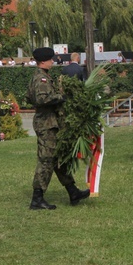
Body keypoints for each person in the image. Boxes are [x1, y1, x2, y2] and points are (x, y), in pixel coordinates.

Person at [25, 47, 90, 210]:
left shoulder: (40, 76)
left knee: (57, 158)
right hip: (46, 124)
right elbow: (41, 99)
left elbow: (28, 97)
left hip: (49, 122)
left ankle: (73, 191)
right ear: (43, 61)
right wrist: (62, 97)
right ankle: (37, 199)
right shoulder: (42, 78)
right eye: (51, 59)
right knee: (46, 160)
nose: (53, 62)